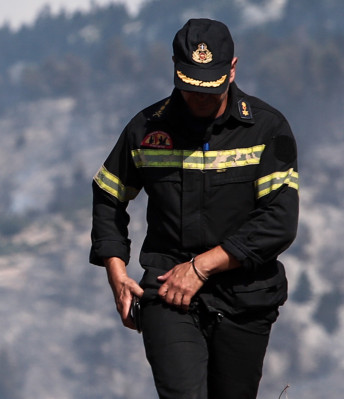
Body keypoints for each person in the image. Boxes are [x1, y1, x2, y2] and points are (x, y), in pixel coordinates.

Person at [89, 18, 299, 399]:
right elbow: (108, 195)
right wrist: (116, 274)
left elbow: (280, 222)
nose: (201, 98)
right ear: (174, 68)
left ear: (233, 68)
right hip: (169, 295)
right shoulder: (146, 129)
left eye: (211, 88)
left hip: (245, 299)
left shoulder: (267, 129)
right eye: (191, 88)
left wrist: (201, 268)